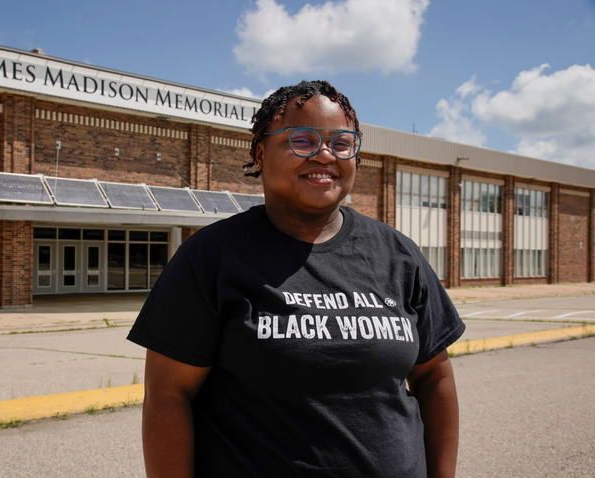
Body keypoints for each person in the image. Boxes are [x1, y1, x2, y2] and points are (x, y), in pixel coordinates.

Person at [127, 80, 465, 478]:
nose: (325, 155)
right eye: (302, 140)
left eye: (342, 143)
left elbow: (434, 377)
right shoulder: (211, 257)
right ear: (260, 152)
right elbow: (168, 397)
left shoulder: (398, 255)